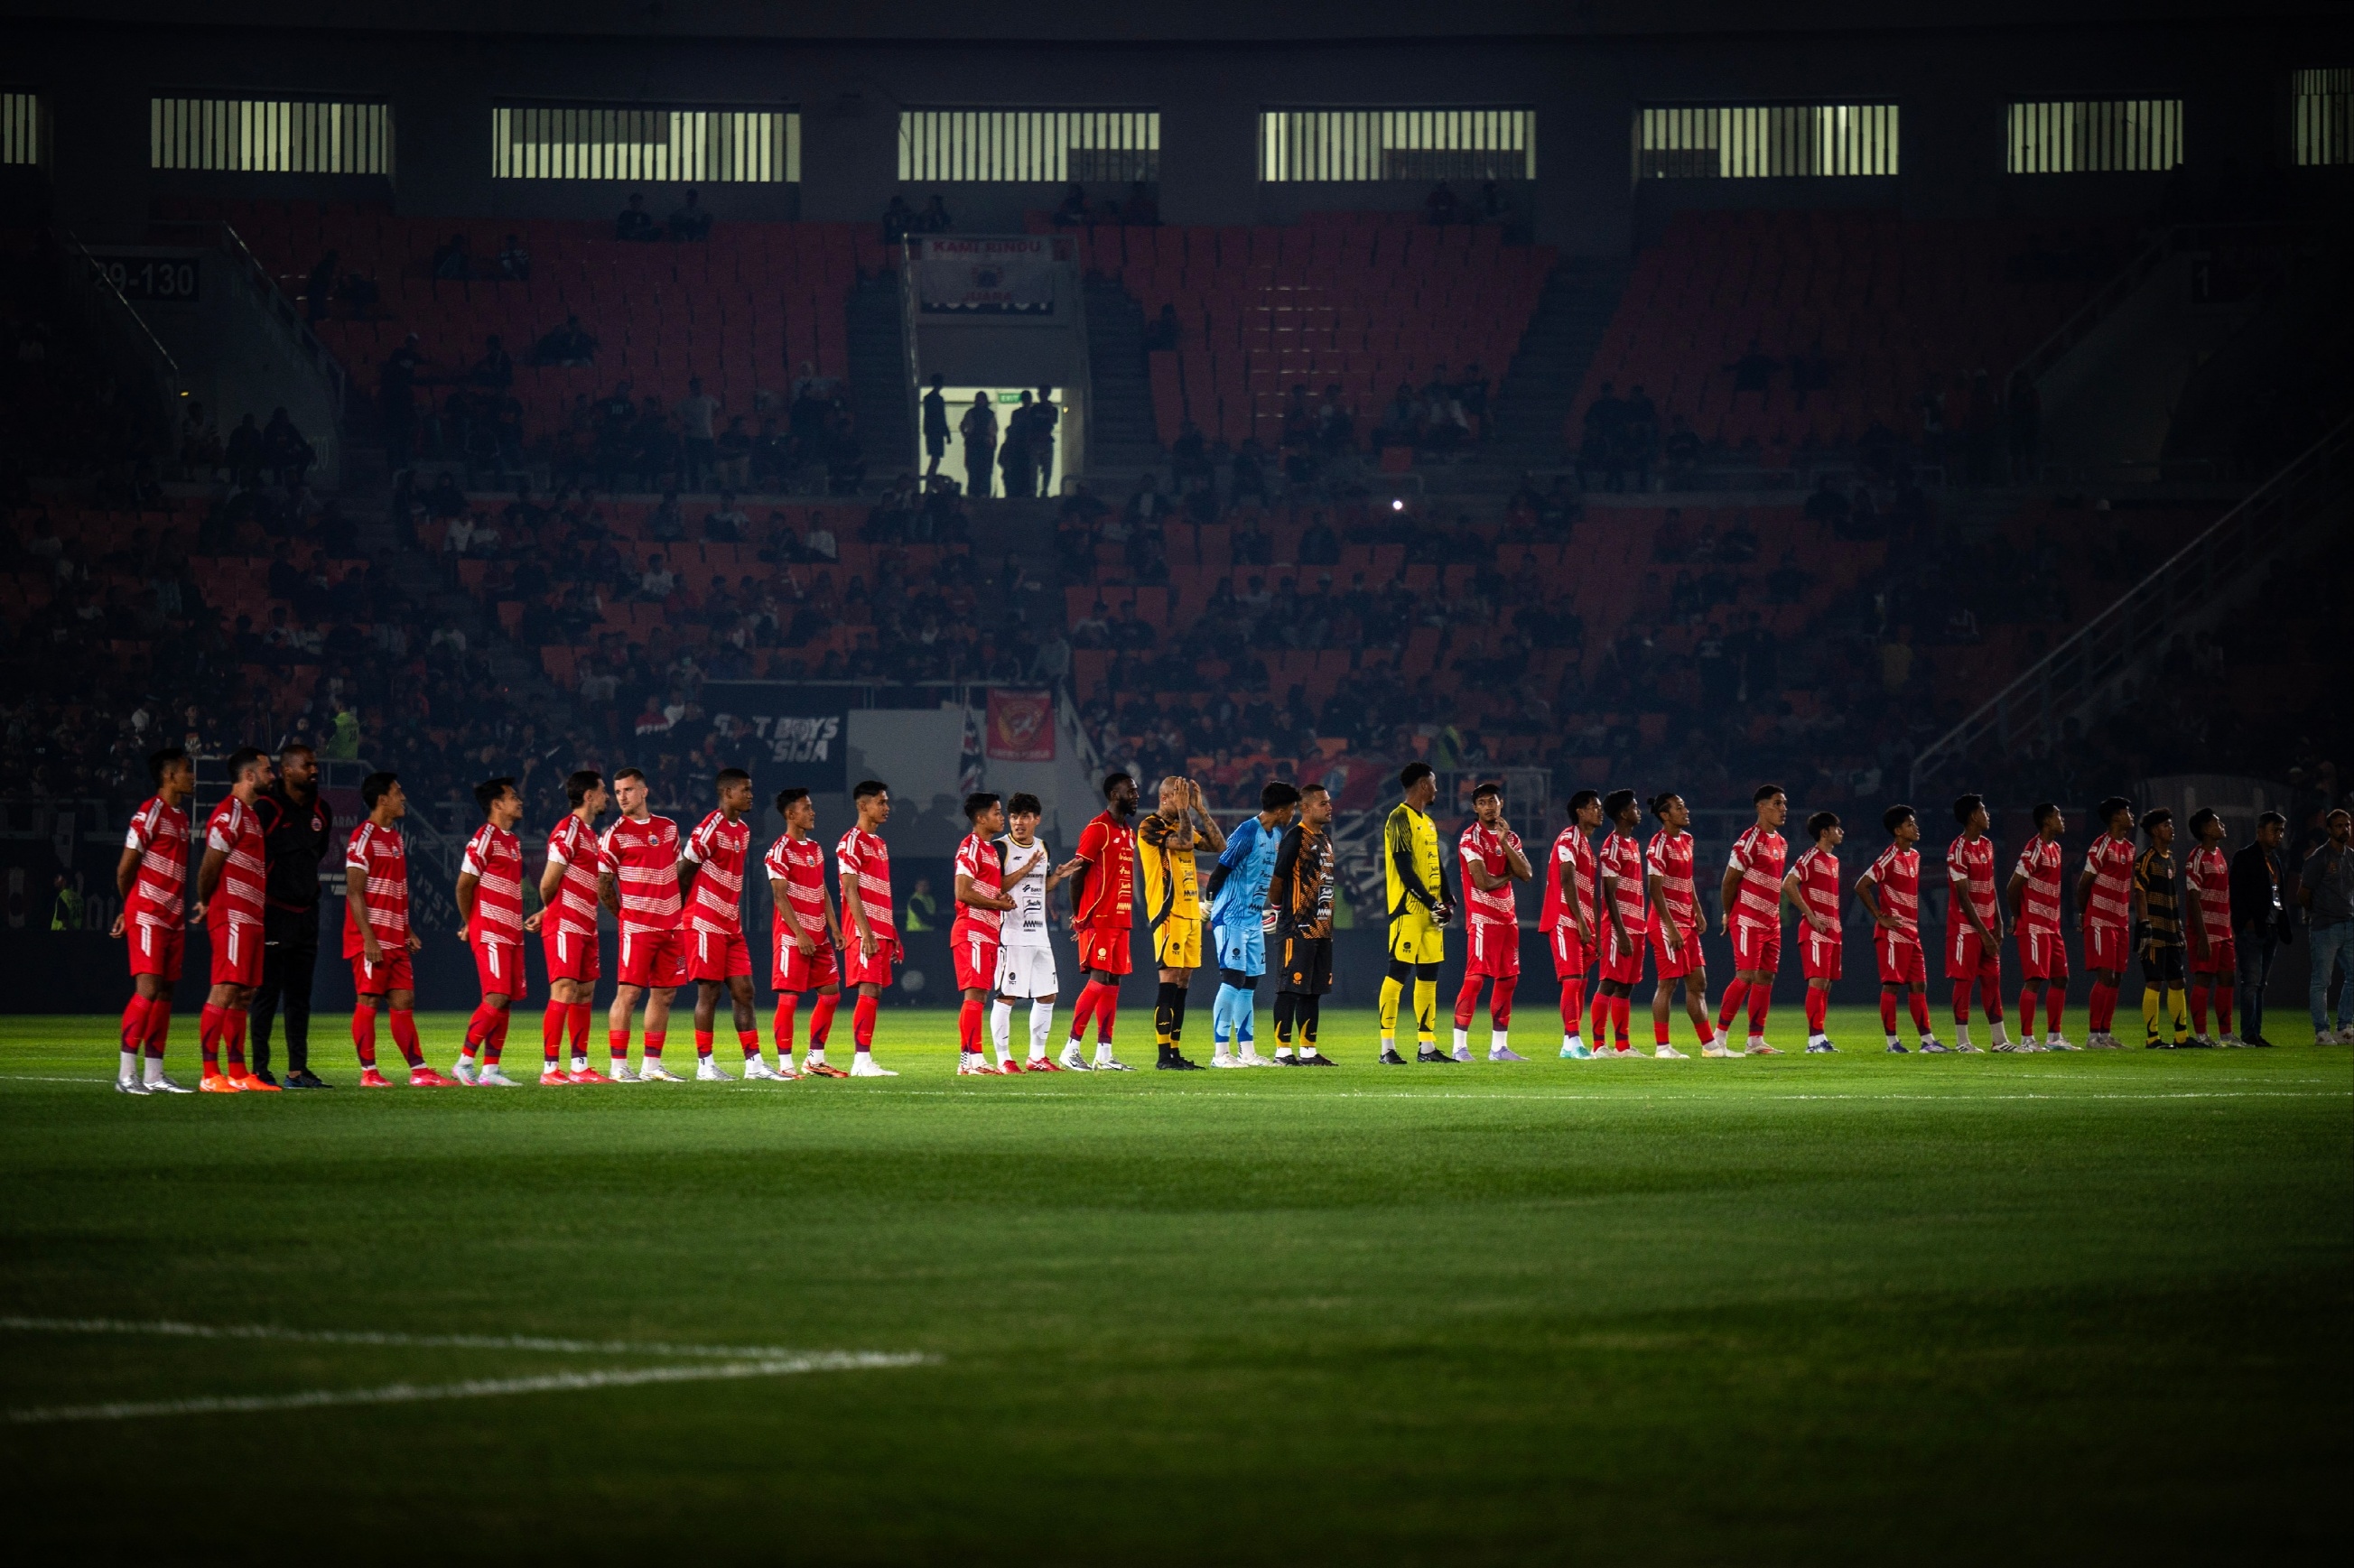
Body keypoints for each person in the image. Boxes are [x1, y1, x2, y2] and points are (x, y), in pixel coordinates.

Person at [345, 772, 443, 1088]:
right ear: (382, 799)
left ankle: (419, 1070)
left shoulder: (396, 838)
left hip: (395, 938)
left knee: (404, 1001)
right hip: (371, 939)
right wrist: (368, 939)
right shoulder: (363, 837)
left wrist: (407, 929)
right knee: (369, 1001)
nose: (404, 798)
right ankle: (369, 1073)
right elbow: (354, 892)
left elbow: (397, 889)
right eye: (398, 792)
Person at [247, 741, 333, 1088]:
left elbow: (317, 854)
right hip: (273, 912)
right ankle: (259, 1070)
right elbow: (254, 857)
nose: (314, 770)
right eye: (307, 765)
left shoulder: (321, 811)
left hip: (306, 914)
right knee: (267, 994)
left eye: (314, 765)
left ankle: (298, 1070)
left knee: (300, 997)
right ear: (286, 770)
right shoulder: (267, 808)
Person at [111, 747, 197, 1094]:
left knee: (165, 992)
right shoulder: (149, 813)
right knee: (147, 989)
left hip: (173, 916)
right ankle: (125, 1075)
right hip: (149, 913)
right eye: (187, 770)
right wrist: (131, 907)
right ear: (169, 775)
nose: (192, 776)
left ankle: (153, 1074)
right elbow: (125, 869)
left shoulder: (181, 818)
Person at [196, 747, 279, 1091]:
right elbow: (209, 866)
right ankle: (209, 1074)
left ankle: (239, 1073)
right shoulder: (228, 813)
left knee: (245, 994)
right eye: (267, 770)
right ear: (248, 775)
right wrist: (206, 900)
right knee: (225, 988)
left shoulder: (251, 816)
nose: (272, 776)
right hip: (232, 914)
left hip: (252, 917)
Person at [600, 766, 688, 1081]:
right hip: (637, 928)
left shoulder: (668, 828)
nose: (622, 797)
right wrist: (624, 916)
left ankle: (651, 1066)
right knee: (629, 994)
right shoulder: (615, 835)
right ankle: (619, 1067)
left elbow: (678, 872)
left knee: (665, 995)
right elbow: (603, 885)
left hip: (672, 927)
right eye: (617, 792)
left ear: (644, 791)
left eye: (628, 790)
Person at [1205, 781, 1302, 1067]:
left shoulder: (1276, 835)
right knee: (1232, 979)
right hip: (1231, 916)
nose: (1293, 814)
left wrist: (1270, 910)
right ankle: (1220, 1054)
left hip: (1252, 918)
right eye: (1292, 809)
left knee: (1249, 983)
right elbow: (1220, 870)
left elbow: (1267, 879)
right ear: (1281, 810)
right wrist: (1209, 903)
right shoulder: (1247, 832)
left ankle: (1246, 1052)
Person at [451, 775, 539, 1086]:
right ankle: (464, 1062)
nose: (519, 801)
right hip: (490, 930)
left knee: (506, 998)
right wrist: (471, 922)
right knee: (497, 995)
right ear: (497, 804)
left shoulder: (512, 841)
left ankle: (491, 1070)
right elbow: (464, 886)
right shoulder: (484, 838)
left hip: (511, 931)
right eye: (513, 797)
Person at [683, 768, 770, 1080]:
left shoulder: (743, 830)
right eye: (745, 790)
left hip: (731, 924)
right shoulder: (708, 829)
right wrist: (678, 915)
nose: (750, 795)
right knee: (709, 993)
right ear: (727, 792)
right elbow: (683, 872)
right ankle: (705, 1065)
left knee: (745, 991)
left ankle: (754, 1065)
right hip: (704, 921)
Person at [1137, 775, 1227, 1071]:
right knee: (1169, 979)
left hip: (1190, 913)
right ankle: (1164, 1056)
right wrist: (1185, 811)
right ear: (1165, 798)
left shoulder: (1181, 823)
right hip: (1168, 912)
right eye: (1181, 796)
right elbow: (1186, 843)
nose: (1185, 802)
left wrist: (1200, 809)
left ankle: (1175, 1052)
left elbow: (1219, 845)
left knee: (1183, 981)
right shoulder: (1150, 826)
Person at [991, 793, 1085, 1072]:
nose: (1018, 822)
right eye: (1014, 817)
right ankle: (1004, 1059)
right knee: (1006, 996)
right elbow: (996, 886)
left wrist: (1057, 877)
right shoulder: (1000, 848)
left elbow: (1040, 887)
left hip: (1039, 934)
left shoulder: (1043, 847)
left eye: (1025, 817)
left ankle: (1037, 1057)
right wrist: (1026, 867)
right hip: (1011, 934)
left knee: (1047, 995)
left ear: (1037, 819)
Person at [537, 770, 612, 1084]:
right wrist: (551, 910)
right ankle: (550, 1069)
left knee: (584, 992)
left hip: (586, 924)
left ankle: (579, 1067)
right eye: (603, 790)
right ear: (589, 796)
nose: (607, 796)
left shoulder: (589, 835)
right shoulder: (568, 830)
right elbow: (548, 883)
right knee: (564, 990)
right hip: (566, 924)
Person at [1065, 772, 1141, 1071]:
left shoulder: (1128, 832)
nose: (1136, 796)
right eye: (1130, 792)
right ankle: (1071, 1049)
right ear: (1113, 795)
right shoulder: (1098, 829)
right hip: (1099, 918)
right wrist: (1079, 917)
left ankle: (1104, 1054)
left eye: (1135, 791)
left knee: (1112, 982)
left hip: (1121, 919)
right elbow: (1077, 875)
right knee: (1098, 981)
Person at [761, 790, 839, 1077]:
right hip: (792, 937)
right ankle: (785, 1065)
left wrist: (834, 927)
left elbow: (822, 890)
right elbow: (779, 897)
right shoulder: (780, 850)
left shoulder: (815, 848)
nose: (812, 812)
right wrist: (800, 934)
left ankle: (815, 1059)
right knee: (789, 998)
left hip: (819, 935)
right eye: (806, 808)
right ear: (791, 814)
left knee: (831, 994)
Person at [1856, 803, 1944, 1053]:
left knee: (1919, 985)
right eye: (1909, 824)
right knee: (1892, 985)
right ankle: (1892, 1042)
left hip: (1912, 932)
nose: (1915, 827)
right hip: (1893, 934)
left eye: (1914, 823)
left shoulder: (1914, 856)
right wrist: (1879, 916)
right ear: (1898, 831)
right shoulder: (1889, 857)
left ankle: (1927, 1041)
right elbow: (1861, 885)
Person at [1379, 763, 1451, 1064]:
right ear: (1423, 785)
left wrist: (1447, 897)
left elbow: (1435, 864)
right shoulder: (1398, 818)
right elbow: (1404, 869)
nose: (1436, 789)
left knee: (1429, 977)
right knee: (1398, 973)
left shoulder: (1428, 822)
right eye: (1433, 783)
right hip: (1407, 910)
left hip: (1430, 913)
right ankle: (1387, 1048)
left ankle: (1427, 1047)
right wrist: (1431, 902)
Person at [1266, 783, 1339, 1065]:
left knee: (1313, 991)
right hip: (1297, 927)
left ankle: (1308, 1051)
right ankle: (1283, 1052)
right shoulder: (1296, 837)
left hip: (1322, 928)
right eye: (1323, 803)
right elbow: (1277, 879)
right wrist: (1278, 910)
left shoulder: (1325, 839)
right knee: (1289, 989)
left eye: (1328, 802)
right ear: (1305, 808)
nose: (1329, 807)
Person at [1644, 792, 1722, 1058]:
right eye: (1679, 807)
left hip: (1686, 921)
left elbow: (1687, 880)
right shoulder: (1658, 845)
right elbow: (1654, 889)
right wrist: (1671, 927)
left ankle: (1710, 1046)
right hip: (1665, 924)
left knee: (1698, 983)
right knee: (1667, 984)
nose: (1685, 810)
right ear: (1665, 815)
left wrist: (1697, 910)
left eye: (1684, 805)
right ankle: (1662, 1047)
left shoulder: (1688, 839)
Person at [1717, 784, 1791, 1054]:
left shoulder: (1781, 842)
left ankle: (1755, 1040)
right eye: (1777, 803)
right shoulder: (1749, 841)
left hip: (1772, 922)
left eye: (1784, 804)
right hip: (1748, 919)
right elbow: (1729, 882)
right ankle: (1718, 1039)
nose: (1783, 809)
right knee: (1745, 975)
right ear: (1761, 807)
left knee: (1766, 977)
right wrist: (1729, 913)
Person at [834, 779, 901, 1075]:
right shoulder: (851, 841)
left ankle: (864, 1058)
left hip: (881, 929)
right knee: (869, 988)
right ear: (863, 805)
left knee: (875, 992)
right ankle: (861, 1061)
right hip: (863, 930)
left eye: (886, 802)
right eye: (881, 802)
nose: (887, 807)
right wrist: (866, 932)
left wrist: (893, 933)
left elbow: (882, 891)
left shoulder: (880, 844)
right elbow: (850, 890)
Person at [950, 793, 1014, 1075]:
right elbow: (962, 892)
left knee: (980, 996)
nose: (1002, 817)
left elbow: (990, 889)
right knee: (974, 994)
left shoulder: (989, 850)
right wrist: (998, 904)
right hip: (972, 929)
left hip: (988, 931)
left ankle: (974, 1060)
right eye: (996, 812)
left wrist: (1001, 898)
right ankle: (969, 1060)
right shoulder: (970, 847)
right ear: (980, 818)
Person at [2006, 803, 2079, 1051]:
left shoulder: (2056, 848)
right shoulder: (2033, 849)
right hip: (2034, 925)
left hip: (2052, 925)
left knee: (2061, 979)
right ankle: (2027, 1039)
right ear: (2047, 821)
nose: (2062, 819)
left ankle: (2054, 1037)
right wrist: (2017, 915)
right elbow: (2013, 887)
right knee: (2035, 980)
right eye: (2058, 815)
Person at [1541, 789, 1604, 1059]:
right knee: (1572, 981)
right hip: (1564, 918)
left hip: (1582, 922)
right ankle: (1573, 1041)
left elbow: (1591, 893)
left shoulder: (1587, 846)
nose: (1599, 812)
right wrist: (1580, 920)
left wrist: (1595, 930)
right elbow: (1566, 880)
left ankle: (1570, 1043)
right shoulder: (1568, 838)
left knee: (1581, 982)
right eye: (1594, 807)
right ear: (1580, 812)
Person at [1943, 793, 2008, 1051]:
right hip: (1965, 928)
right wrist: (1984, 933)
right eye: (1983, 810)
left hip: (1988, 927)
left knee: (1992, 980)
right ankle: (1962, 1042)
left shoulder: (1987, 845)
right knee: (1965, 981)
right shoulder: (1957, 850)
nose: (1987, 814)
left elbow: (1991, 886)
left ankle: (1999, 1040)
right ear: (1972, 816)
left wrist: (1998, 922)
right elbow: (1963, 896)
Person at [2077, 795, 2138, 1047]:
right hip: (2100, 918)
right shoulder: (2101, 845)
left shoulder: (2130, 848)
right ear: (2115, 817)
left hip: (2120, 920)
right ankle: (2093, 1036)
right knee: (2105, 975)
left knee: (2117, 977)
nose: (2131, 816)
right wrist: (2084, 913)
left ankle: (2105, 1034)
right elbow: (2084, 884)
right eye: (2126, 812)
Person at [1592, 788, 1649, 1059]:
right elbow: (1609, 894)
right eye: (1635, 808)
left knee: (1627, 986)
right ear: (1624, 814)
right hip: (1619, 928)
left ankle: (1623, 1046)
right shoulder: (1612, 847)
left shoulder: (1633, 844)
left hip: (1637, 925)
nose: (1639, 811)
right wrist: (1621, 933)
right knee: (1609, 983)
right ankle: (1598, 1045)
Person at [2228, 810, 2294, 1047]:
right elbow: (2236, 892)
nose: (2279, 835)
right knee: (2251, 982)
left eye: (2281, 831)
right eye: (2274, 830)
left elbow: (2277, 894)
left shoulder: (2275, 860)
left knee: (2259, 985)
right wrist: (2246, 921)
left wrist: (2280, 924)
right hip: (2253, 929)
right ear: (2260, 832)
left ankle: (2255, 1032)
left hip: (2270, 928)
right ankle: (2248, 1033)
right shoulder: (2245, 857)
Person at [1784, 812, 1847, 1053]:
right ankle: (1814, 1040)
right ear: (1824, 832)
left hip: (1833, 930)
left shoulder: (1834, 860)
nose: (1841, 832)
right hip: (1815, 931)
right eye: (1837, 828)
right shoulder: (1811, 856)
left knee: (1826, 985)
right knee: (1818, 982)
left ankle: (1820, 1036)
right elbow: (1788, 884)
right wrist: (1809, 915)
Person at [2133, 809, 2191, 1048]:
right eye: (2167, 825)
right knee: (2154, 981)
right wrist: (2145, 925)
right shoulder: (2146, 859)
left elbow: (2173, 896)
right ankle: (2152, 1038)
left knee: (2178, 981)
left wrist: (2179, 928)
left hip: (2170, 930)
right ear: (2155, 831)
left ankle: (2181, 1037)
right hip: (2154, 930)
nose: (2171, 829)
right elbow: (2139, 892)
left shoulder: (2170, 859)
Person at [2182, 808, 2240, 1048]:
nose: (2222, 825)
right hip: (2205, 931)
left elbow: (2223, 894)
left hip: (2223, 930)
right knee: (2204, 979)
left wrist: (2229, 926)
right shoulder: (2196, 858)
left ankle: (2226, 1035)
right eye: (2217, 822)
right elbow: (2193, 898)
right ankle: (2201, 1035)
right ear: (2206, 829)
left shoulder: (2219, 854)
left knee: (2227, 979)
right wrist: (2203, 936)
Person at [2300, 807, 2354, 1044]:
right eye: (2340, 826)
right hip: (2325, 927)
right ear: (2329, 830)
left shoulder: (2351, 857)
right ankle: (2321, 1031)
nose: (2345, 829)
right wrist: (2317, 914)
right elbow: (2303, 893)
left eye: (2347, 825)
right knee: (2322, 980)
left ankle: (2344, 1028)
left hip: (2348, 924)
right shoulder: (2319, 858)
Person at [960, 393, 997, 500]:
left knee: (985, 470)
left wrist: (991, 441)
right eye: (978, 399)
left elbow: (994, 430)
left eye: (982, 399)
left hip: (984, 445)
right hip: (974, 444)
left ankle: (983, 493)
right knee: (973, 470)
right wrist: (967, 436)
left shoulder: (989, 414)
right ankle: (973, 492)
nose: (980, 401)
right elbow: (962, 426)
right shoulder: (972, 413)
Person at [921, 374, 949, 478]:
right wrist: (947, 433)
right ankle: (930, 479)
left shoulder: (928, 398)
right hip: (937, 432)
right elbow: (942, 417)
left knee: (935, 459)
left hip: (932, 431)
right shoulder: (938, 399)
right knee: (936, 459)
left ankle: (930, 479)